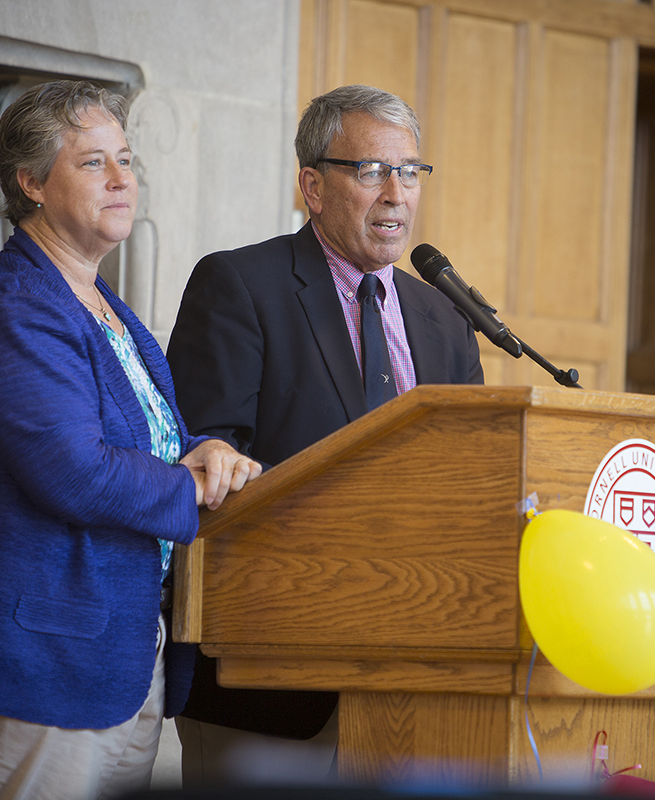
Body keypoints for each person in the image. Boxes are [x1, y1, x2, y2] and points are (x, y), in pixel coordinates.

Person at [0, 80, 261, 800]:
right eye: (94, 162)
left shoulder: (100, 305)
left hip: (115, 662)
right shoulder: (17, 306)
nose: (122, 178)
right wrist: (194, 485)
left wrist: (201, 449)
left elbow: (139, 437)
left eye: (126, 159)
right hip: (34, 666)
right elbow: (75, 470)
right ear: (31, 183)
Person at [165, 84, 484, 783]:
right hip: (268, 679)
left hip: (413, 686)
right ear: (313, 186)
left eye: (410, 172)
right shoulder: (239, 285)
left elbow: (469, 483)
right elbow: (204, 455)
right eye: (372, 171)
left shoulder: (446, 321)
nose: (396, 194)